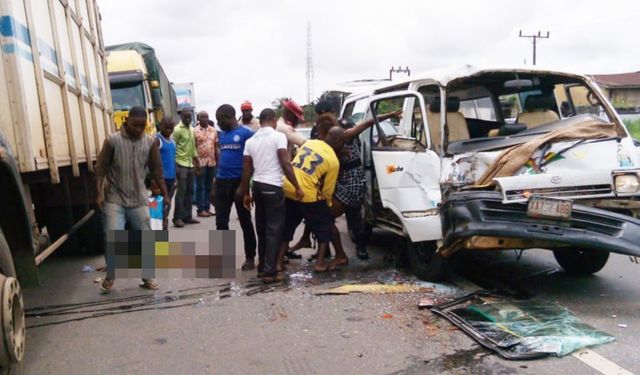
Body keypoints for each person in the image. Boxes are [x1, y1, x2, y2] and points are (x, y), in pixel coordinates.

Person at [289, 100, 403, 264]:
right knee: (319, 211)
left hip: (351, 179)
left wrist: (390, 115)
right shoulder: (319, 134)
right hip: (335, 177)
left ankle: (356, 249)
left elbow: (367, 123)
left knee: (349, 217)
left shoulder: (344, 132)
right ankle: (323, 248)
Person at [95, 106, 169, 293]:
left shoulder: (150, 142)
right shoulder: (113, 141)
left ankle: (147, 277)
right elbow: (101, 168)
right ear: (127, 121)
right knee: (113, 238)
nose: (138, 129)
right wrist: (99, 193)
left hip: (139, 199)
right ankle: (111, 274)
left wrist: (165, 194)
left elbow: (157, 171)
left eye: (142, 126)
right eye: (135, 125)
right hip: (115, 198)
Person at [240, 109, 303, 282]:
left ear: (260, 122)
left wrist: (246, 193)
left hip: (258, 187)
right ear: (274, 121)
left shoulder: (251, 141)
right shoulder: (278, 137)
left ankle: (262, 268)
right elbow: (285, 163)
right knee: (274, 230)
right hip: (273, 186)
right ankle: (269, 272)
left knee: (262, 228)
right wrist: (297, 186)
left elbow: (246, 169)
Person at [278, 120, 344, 273]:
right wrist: (326, 205)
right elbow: (328, 190)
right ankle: (320, 263)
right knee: (323, 227)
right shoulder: (333, 161)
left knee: (287, 227)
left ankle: (279, 262)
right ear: (339, 141)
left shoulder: (309, 143)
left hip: (287, 186)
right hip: (307, 193)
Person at [214, 104, 257, 270]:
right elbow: (221, 159)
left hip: (240, 182)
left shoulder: (246, 134)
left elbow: (251, 162)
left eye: (220, 120)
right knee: (221, 222)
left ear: (229, 117)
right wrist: (214, 184)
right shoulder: (222, 135)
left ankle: (250, 258)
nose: (218, 123)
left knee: (245, 221)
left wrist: (244, 186)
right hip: (222, 182)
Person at [172, 108, 200, 227]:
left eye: (190, 117)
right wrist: (175, 166)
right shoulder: (177, 130)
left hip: (190, 164)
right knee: (181, 192)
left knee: (190, 191)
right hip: (180, 164)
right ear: (181, 117)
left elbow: (193, 147)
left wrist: (197, 162)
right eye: (186, 117)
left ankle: (187, 216)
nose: (188, 119)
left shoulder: (191, 129)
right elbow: (173, 148)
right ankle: (177, 218)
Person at [154, 117, 177, 230]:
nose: (168, 130)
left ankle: (164, 220)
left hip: (171, 178)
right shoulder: (157, 140)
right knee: (159, 203)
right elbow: (152, 160)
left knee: (168, 202)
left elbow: (173, 159)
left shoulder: (172, 141)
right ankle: (160, 223)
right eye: (166, 127)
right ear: (160, 126)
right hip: (161, 179)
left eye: (171, 128)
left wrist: (176, 178)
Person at [195, 111, 218, 217]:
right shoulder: (194, 131)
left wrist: (218, 162)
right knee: (201, 186)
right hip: (200, 162)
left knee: (209, 186)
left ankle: (207, 208)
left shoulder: (213, 130)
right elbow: (193, 147)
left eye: (206, 117)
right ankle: (200, 209)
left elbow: (216, 146)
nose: (205, 119)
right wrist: (195, 163)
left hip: (212, 162)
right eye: (202, 117)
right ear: (198, 118)